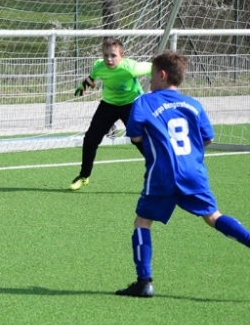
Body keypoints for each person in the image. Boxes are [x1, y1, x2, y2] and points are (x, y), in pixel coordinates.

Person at [117, 50, 250, 297]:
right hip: (193, 173)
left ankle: (144, 282)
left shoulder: (144, 102)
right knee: (213, 216)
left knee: (143, 222)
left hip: (163, 174)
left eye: (152, 75)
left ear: (162, 75)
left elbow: (135, 136)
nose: (149, 81)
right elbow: (208, 138)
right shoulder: (193, 104)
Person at [70, 37, 152, 191]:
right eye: (105, 55)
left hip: (131, 104)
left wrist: (157, 90)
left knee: (138, 140)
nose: (109, 59)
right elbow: (92, 77)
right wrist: (83, 87)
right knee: (90, 140)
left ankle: (159, 171)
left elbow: (153, 68)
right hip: (108, 105)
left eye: (113, 55)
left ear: (122, 56)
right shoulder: (99, 66)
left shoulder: (131, 67)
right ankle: (84, 176)